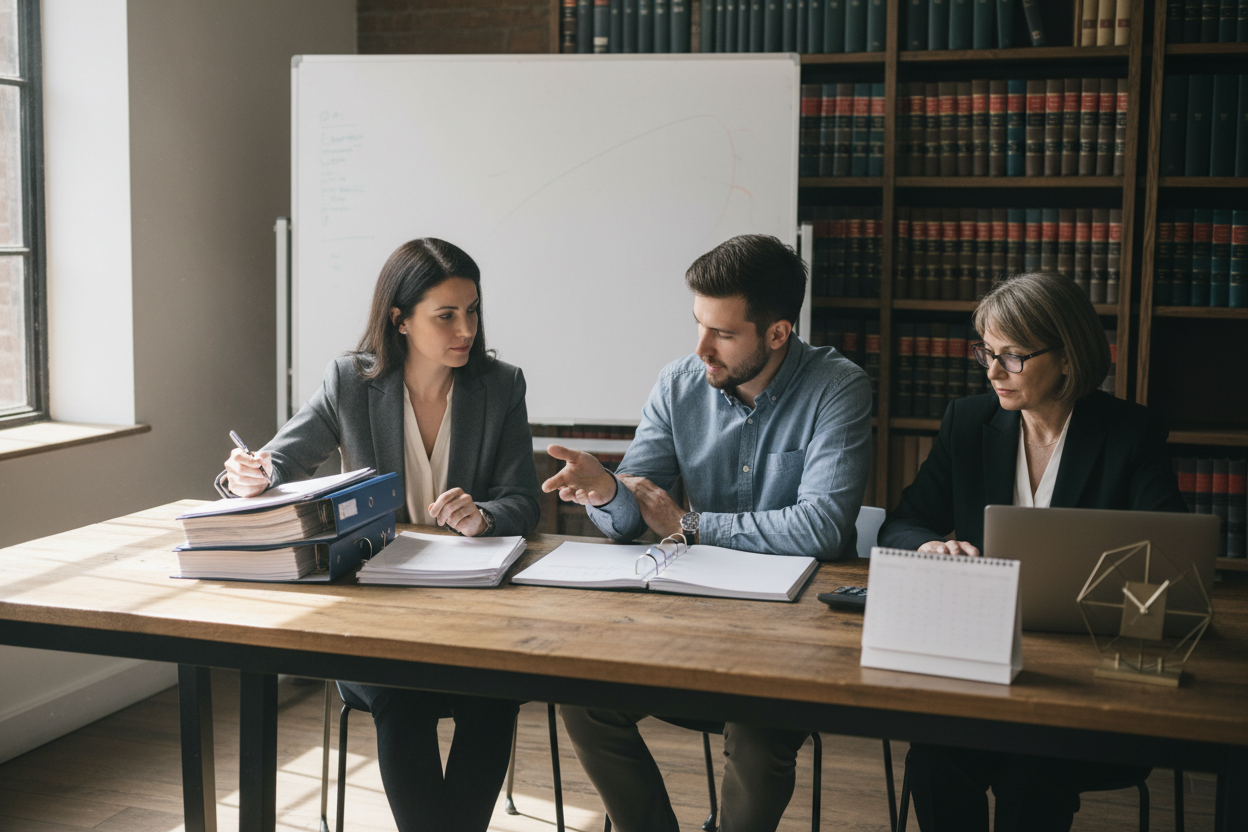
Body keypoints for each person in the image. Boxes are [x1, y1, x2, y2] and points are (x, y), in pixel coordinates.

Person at [541, 234, 873, 832]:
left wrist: (688, 524)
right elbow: (638, 508)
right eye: (698, 324)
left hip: (792, 632)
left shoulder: (837, 387)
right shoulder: (679, 383)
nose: (701, 348)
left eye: (722, 333)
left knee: (756, 732)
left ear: (777, 333)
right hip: (693, 616)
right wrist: (609, 492)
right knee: (583, 697)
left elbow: (821, 527)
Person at [222, 238, 541, 832]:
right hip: (376, 611)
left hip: (473, 609)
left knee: (493, 698)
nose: (466, 329)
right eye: (446, 315)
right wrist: (251, 474)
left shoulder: (500, 386)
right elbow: (280, 461)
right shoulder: (351, 382)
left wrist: (485, 516)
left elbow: (523, 501)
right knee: (403, 693)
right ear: (400, 319)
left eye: (472, 311)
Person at [878, 271, 1187, 832]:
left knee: (1033, 771)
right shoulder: (967, 422)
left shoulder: (1131, 433)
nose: (993, 372)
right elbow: (903, 522)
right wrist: (931, 544)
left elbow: (1169, 555)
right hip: (984, 660)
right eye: (987, 352)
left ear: (1067, 357)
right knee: (935, 760)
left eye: (1013, 356)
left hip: (1087, 674)